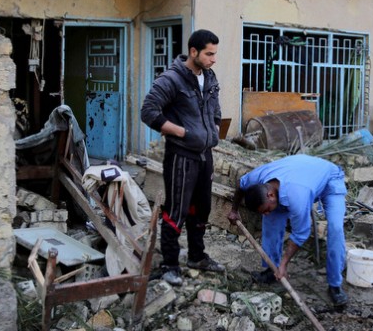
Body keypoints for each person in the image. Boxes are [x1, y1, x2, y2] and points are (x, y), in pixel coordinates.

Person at [140, 29, 224, 285]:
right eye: (209, 54)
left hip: (204, 154)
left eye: (215, 54)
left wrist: (213, 130)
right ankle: (170, 264)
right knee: (177, 209)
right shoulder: (171, 80)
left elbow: (215, 111)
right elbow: (148, 112)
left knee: (202, 208)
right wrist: (183, 132)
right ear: (193, 52)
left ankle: (197, 256)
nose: (213, 59)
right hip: (181, 156)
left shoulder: (209, 77)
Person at [228, 154, 349, 306]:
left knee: (335, 229)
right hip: (300, 174)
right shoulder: (258, 177)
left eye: (265, 209)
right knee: (271, 221)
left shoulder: (297, 196)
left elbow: (301, 233)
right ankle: (271, 271)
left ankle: (335, 286)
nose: (265, 213)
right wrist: (234, 210)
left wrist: (284, 264)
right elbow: (241, 184)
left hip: (329, 180)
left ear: (270, 194)